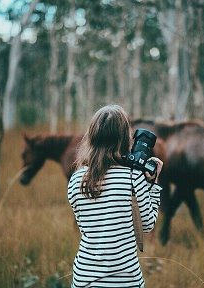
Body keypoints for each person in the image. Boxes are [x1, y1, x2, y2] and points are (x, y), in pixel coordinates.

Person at [67, 104, 163, 288]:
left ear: (92, 137)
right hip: (126, 280)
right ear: (124, 137)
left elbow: (85, 227)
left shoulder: (76, 179)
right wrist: (153, 185)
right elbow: (147, 225)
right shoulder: (133, 177)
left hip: (84, 278)